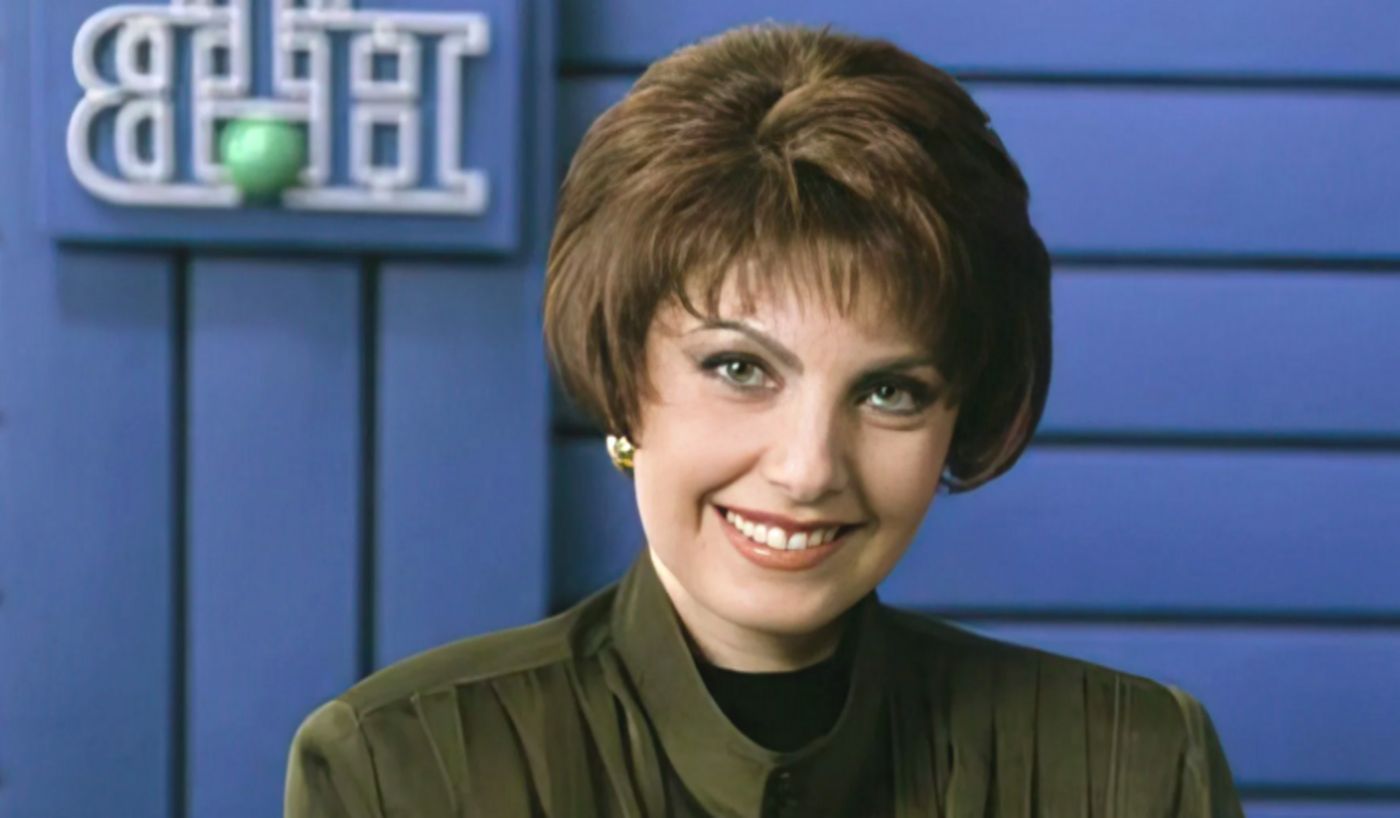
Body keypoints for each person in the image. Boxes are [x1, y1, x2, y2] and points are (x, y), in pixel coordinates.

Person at [285, 23, 1244, 818]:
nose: (807, 467)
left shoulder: (1133, 771)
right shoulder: (402, 771)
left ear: (958, 415)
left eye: (890, 392)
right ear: (622, 375)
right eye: (740, 369)